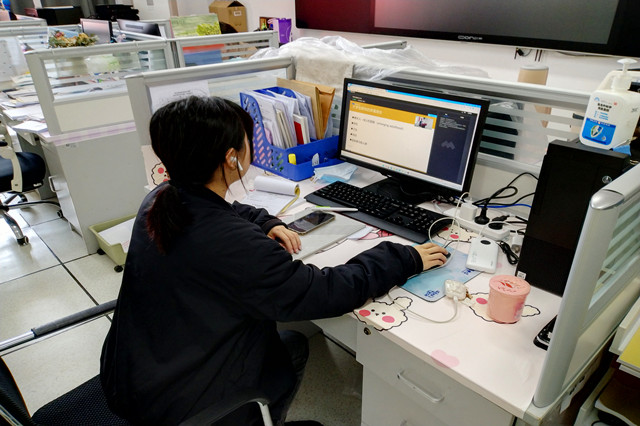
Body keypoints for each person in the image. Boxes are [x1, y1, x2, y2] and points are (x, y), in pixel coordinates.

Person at [100, 96, 448, 425]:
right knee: (292, 346)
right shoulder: (234, 245)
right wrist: (403, 257)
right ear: (232, 158)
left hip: (135, 374)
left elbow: (224, 211)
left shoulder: (160, 199)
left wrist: (265, 222)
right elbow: (323, 292)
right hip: (183, 404)